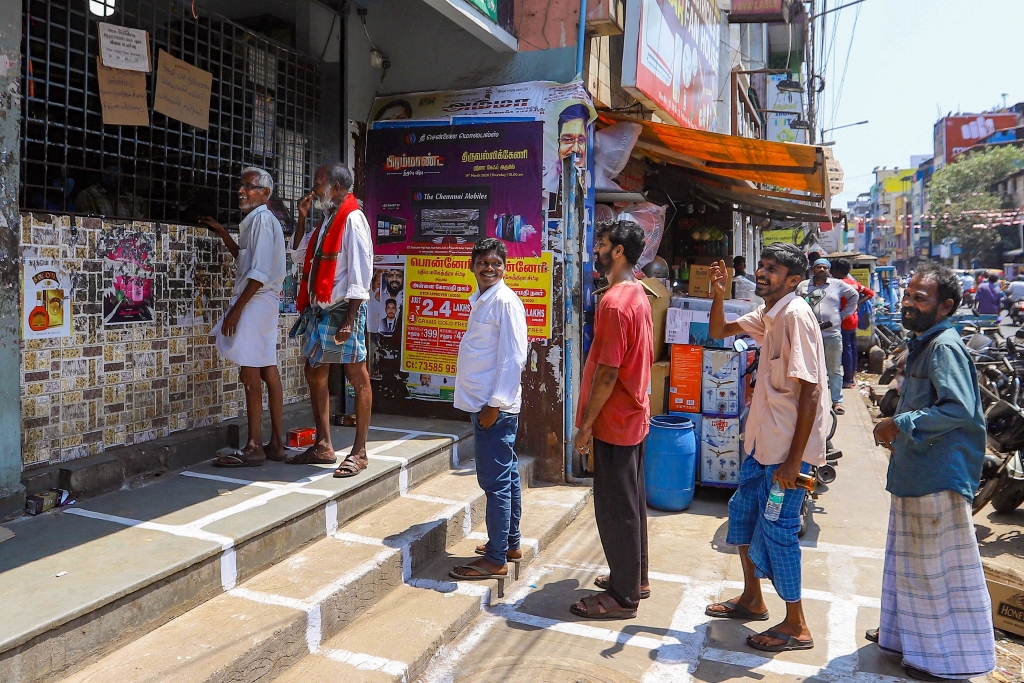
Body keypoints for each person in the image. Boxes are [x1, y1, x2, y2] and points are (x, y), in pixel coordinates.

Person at [870, 264, 994, 681]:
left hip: (937, 475)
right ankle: (904, 638)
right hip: (918, 470)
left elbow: (958, 409)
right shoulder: (925, 342)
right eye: (908, 295)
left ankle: (942, 661)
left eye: (919, 298)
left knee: (934, 572)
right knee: (910, 563)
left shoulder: (944, 346)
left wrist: (897, 425)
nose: (907, 303)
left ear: (945, 307)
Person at [704, 243, 830, 653]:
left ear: (794, 281)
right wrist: (719, 293)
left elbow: (810, 392)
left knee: (779, 532)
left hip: (788, 454)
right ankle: (752, 598)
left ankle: (797, 624)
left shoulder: (796, 316)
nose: (762, 273)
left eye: (772, 269)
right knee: (741, 513)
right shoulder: (770, 315)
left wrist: (795, 463)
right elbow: (718, 332)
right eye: (762, 266)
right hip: (763, 445)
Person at [571, 219, 652, 620]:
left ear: (617, 251)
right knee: (632, 501)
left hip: (616, 418)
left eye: (601, 244)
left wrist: (586, 424)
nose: (596, 250)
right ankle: (635, 578)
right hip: (633, 414)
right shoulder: (637, 293)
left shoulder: (616, 302)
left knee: (616, 507)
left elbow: (607, 371)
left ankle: (624, 597)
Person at [449, 238, 529, 583]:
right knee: (506, 474)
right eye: (483, 262)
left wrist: (494, 406)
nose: (489, 268)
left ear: (505, 267)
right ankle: (509, 544)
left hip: (493, 408)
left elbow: (514, 358)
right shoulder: (483, 300)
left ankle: (496, 558)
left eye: (496, 263)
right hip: (487, 405)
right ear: (472, 266)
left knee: (495, 482)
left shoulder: (505, 302)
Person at [288, 163, 374, 478]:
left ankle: (360, 452)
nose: (314, 187)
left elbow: (361, 272)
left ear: (335, 186)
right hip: (321, 308)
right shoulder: (328, 220)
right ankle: (324, 445)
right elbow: (299, 254)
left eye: (319, 182)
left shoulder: (353, 219)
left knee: (356, 374)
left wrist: (351, 318)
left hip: (342, 309)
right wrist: (300, 217)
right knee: (314, 370)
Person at [200, 167, 287, 466]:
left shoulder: (262, 219)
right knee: (265, 369)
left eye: (250, 187)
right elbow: (247, 259)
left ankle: (254, 446)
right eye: (242, 185)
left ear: (265, 194)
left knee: (250, 372)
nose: (242, 191)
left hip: (257, 300)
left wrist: (236, 310)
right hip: (263, 301)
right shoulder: (257, 221)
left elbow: (258, 273)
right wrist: (223, 232)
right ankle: (275, 443)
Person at [796, 258, 858, 414]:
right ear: (813, 269)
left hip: (832, 334)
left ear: (829, 270)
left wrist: (843, 315)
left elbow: (854, 295)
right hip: (809, 335)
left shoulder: (837, 284)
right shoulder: (803, 286)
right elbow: (795, 304)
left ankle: (837, 401)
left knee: (834, 369)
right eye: (818, 267)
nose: (822, 269)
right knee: (810, 369)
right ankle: (812, 400)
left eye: (825, 267)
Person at [830, 258, 874, 389]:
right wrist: (855, 304)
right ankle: (851, 377)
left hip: (843, 320)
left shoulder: (838, 284)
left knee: (846, 350)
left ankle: (848, 379)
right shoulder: (854, 283)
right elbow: (870, 293)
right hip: (853, 320)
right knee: (852, 349)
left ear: (837, 271)